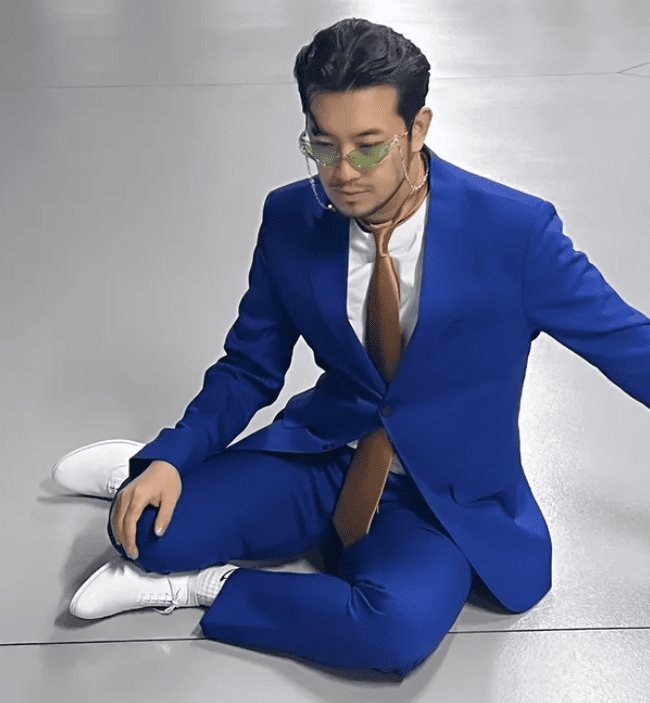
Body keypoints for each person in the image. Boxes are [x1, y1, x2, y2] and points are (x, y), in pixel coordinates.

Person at [54, 17, 650, 679]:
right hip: (327, 453)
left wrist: (203, 584)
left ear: (417, 129)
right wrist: (172, 455)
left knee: (391, 631)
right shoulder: (290, 216)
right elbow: (250, 366)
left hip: (436, 500)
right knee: (142, 530)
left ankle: (203, 587)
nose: (342, 173)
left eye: (367, 148)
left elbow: (629, 344)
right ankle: (142, 462)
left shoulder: (516, 233)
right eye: (322, 144)